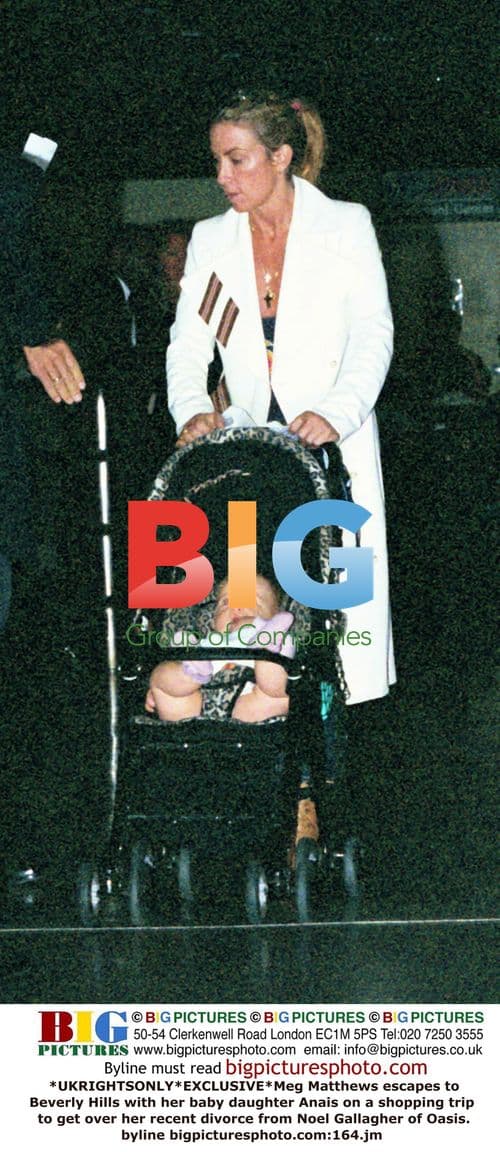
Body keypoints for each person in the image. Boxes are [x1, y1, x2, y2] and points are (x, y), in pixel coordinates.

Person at [166, 91, 395, 706]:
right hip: (245, 461)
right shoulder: (211, 239)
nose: (222, 178)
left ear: (282, 156)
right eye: (217, 161)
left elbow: (374, 335)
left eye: (237, 160)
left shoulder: (346, 225)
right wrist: (192, 408)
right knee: (245, 602)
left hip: (329, 453)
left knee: (334, 622)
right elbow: (187, 346)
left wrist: (338, 413)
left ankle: (314, 770)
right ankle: (253, 725)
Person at [146, 575, 294, 723]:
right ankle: (189, 673)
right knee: (162, 673)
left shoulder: (276, 633)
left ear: (274, 615)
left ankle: (267, 647)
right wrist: (164, 688)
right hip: (194, 705)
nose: (236, 607)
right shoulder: (208, 641)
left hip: (251, 702)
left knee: (278, 690)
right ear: (214, 618)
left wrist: (265, 632)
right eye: (225, 602)